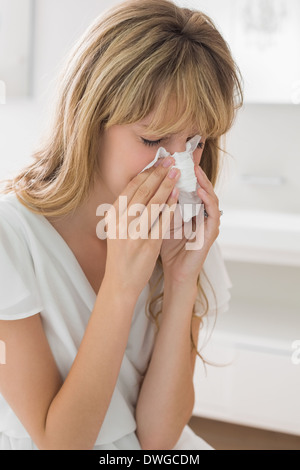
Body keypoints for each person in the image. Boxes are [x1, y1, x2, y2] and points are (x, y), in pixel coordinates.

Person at [0, 0, 242, 450]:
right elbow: (61, 444)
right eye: (151, 138)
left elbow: (158, 441)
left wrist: (182, 278)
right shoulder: (10, 239)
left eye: (194, 140)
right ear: (88, 122)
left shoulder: (183, 226)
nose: (180, 166)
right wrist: (121, 284)